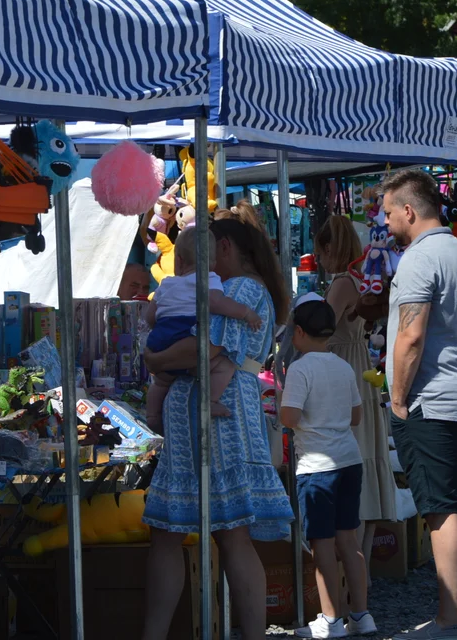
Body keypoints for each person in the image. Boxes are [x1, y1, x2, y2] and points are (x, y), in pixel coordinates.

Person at [140, 218, 293, 640]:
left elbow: (203, 350)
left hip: (214, 417)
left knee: (222, 534)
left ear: (224, 246)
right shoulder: (247, 290)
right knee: (209, 534)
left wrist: (155, 361)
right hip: (211, 413)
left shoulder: (241, 289)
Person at [380, 168, 457, 640]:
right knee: (450, 508)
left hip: (432, 398)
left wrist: (398, 399)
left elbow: (411, 335)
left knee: (440, 511)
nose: (384, 224)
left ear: (408, 209)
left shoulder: (420, 259)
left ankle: (450, 622)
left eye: (386, 213)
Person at [280, 297, 375, 638]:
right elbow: (356, 416)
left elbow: (289, 418)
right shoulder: (342, 366)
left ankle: (331, 619)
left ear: (301, 332)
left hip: (316, 466)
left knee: (322, 545)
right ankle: (362, 615)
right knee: (349, 541)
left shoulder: (300, 369)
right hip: (349, 460)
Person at [313, 216, 396, 580]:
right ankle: (357, 578)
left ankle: (350, 579)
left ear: (330, 248)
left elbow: (320, 330)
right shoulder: (360, 277)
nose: (317, 260)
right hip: (358, 369)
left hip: (342, 369)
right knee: (363, 456)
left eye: (320, 252)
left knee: (352, 461)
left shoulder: (343, 283)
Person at [144, 229, 262, 431]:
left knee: (161, 381)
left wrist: (161, 331)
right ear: (213, 264)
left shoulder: (166, 283)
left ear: (178, 261)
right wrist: (245, 313)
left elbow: (149, 317)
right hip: (187, 331)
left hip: (161, 336)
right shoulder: (209, 279)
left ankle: (152, 415)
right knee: (225, 364)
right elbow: (216, 302)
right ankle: (210, 401)